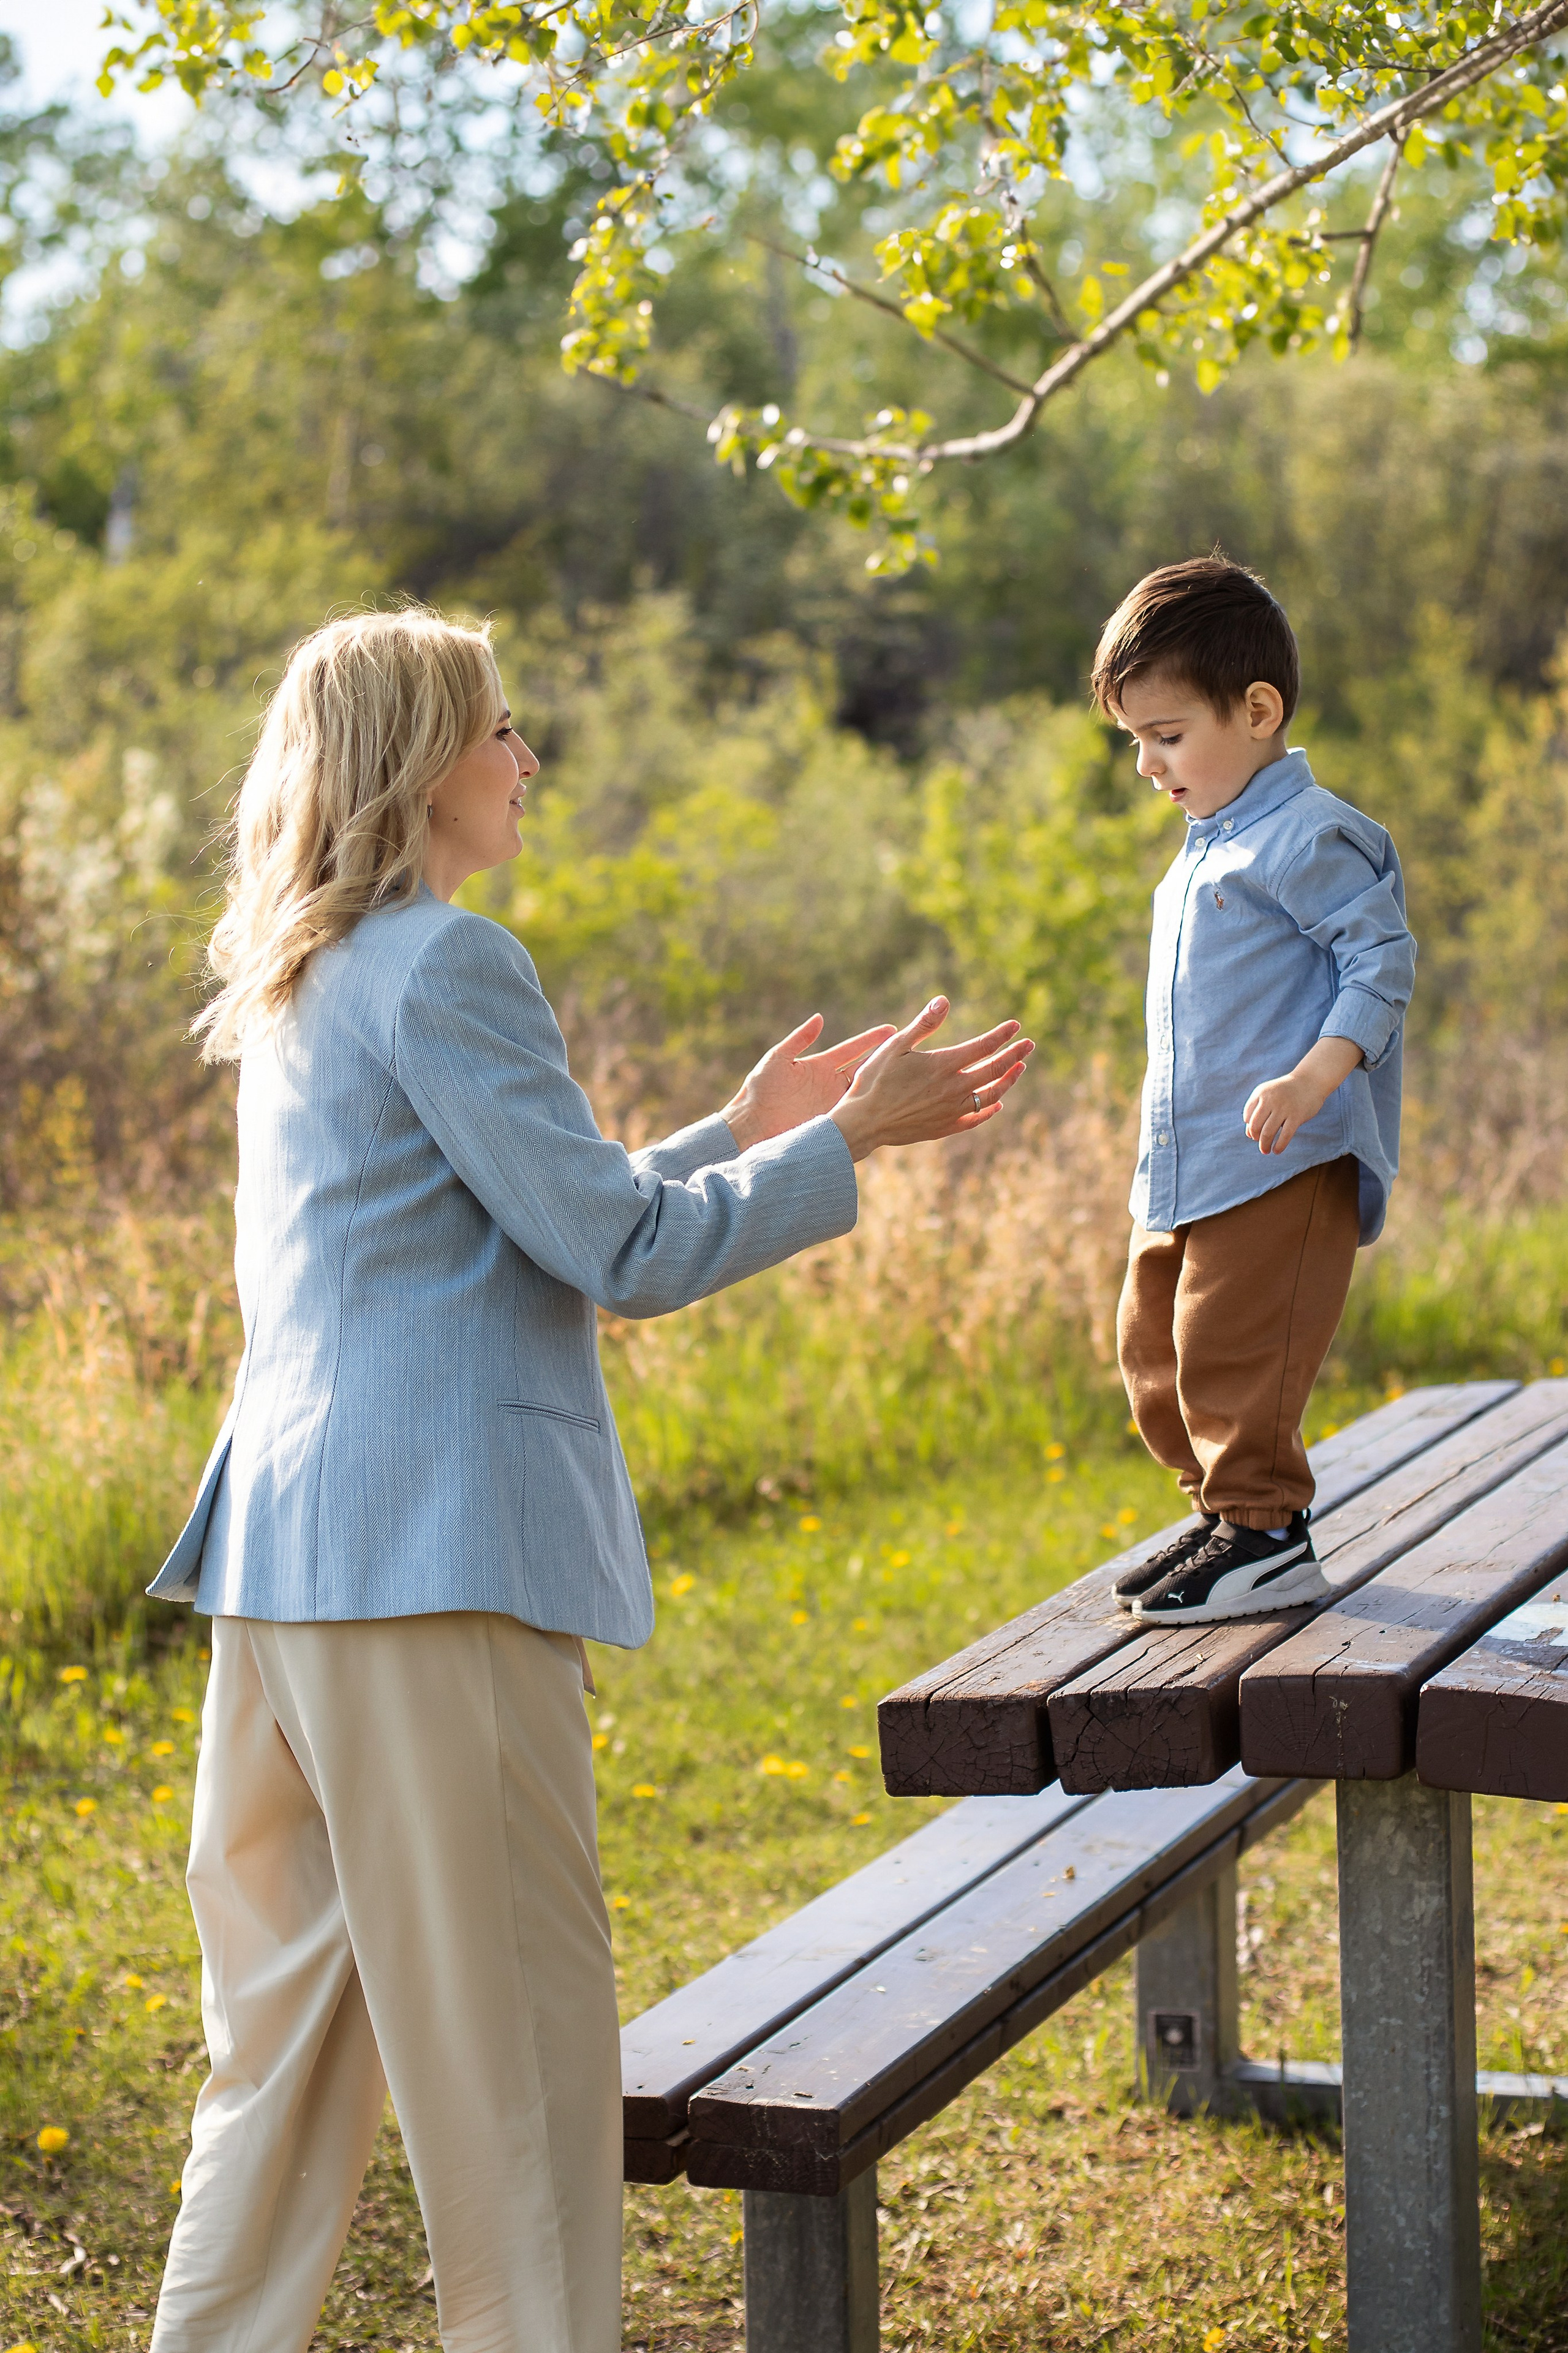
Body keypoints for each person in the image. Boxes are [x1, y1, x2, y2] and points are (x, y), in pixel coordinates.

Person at [143, 605, 1032, 2353]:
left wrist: (746, 1125)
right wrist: (842, 1141)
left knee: (281, 2075)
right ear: (419, 767)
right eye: (500, 730)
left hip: (286, 1572)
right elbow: (615, 1253)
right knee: (526, 2083)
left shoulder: (307, 973)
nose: (527, 758)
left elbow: (506, 1220)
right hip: (431, 1576)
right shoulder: (453, 962)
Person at [1092, 557, 1416, 1627]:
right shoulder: (1203, 849)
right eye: (1135, 740)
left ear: (1259, 710)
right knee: (1154, 1351)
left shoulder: (1307, 835)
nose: (1147, 763)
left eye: (1169, 735)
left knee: (1234, 1346)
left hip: (1285, 1154)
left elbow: (1381, 964)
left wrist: (1316, 1075)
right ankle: (1229, 1519)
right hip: (1190, 1163)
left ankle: (1269, 1528)